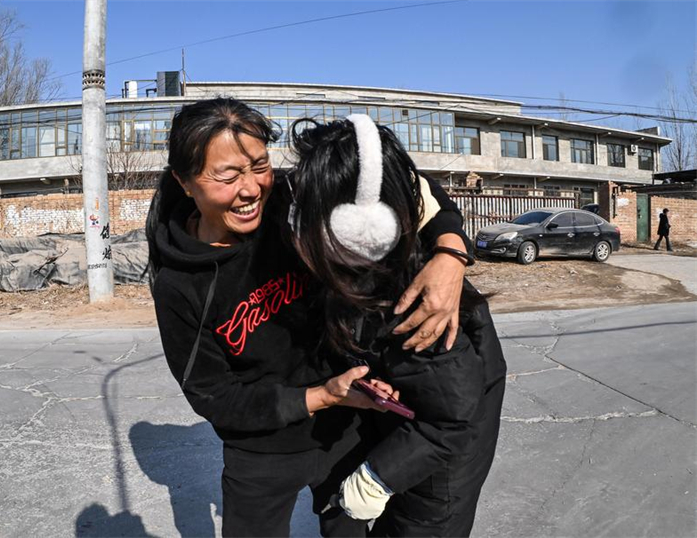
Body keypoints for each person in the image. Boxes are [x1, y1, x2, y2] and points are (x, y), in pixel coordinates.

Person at [145, 98, 473, 537]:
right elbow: (212, 395)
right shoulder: (179, 284)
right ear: (185, 182)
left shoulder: (292, 200)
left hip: (346, 429)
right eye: (227, 175)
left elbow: (407, 185)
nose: (251, 189)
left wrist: (451, 254)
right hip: (260, 452)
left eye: (259, 165)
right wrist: (319, 395)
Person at [286, 114, 507, 537]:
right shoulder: (369, 260)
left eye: (309, 206)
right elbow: (419, 186)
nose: (297, 218)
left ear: (356, 229)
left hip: (441, 462)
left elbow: (451, 418)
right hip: (413, 423)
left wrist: (376, 477)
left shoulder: (413, 303)